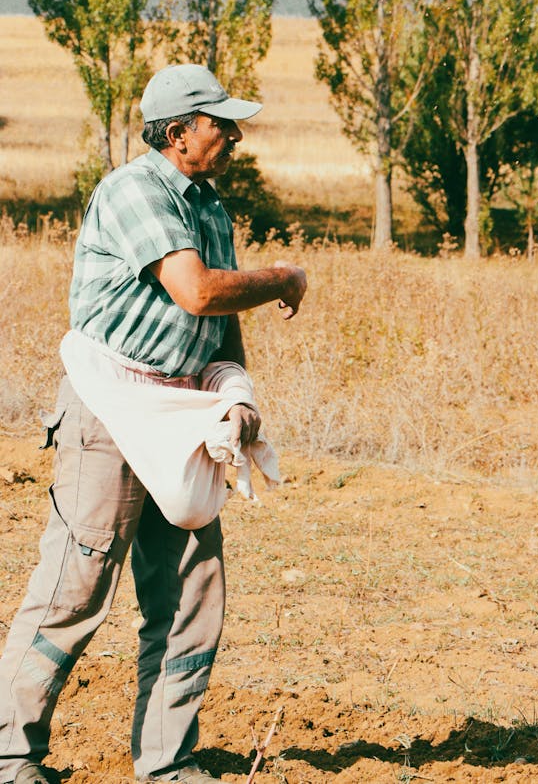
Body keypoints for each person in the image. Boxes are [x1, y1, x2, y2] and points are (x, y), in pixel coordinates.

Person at [0, 64, 307, 784]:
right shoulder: (134, 189)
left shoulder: (212, 209)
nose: (232, 134)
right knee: (78, 580)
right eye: (218, 123)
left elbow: (219, 334)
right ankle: (9, 750)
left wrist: (235, 391)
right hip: (110, 407)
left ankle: (168, 761)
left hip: (180, 417)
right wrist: (284, 279)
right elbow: (199, 291)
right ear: (178, 134)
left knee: (193, 587)